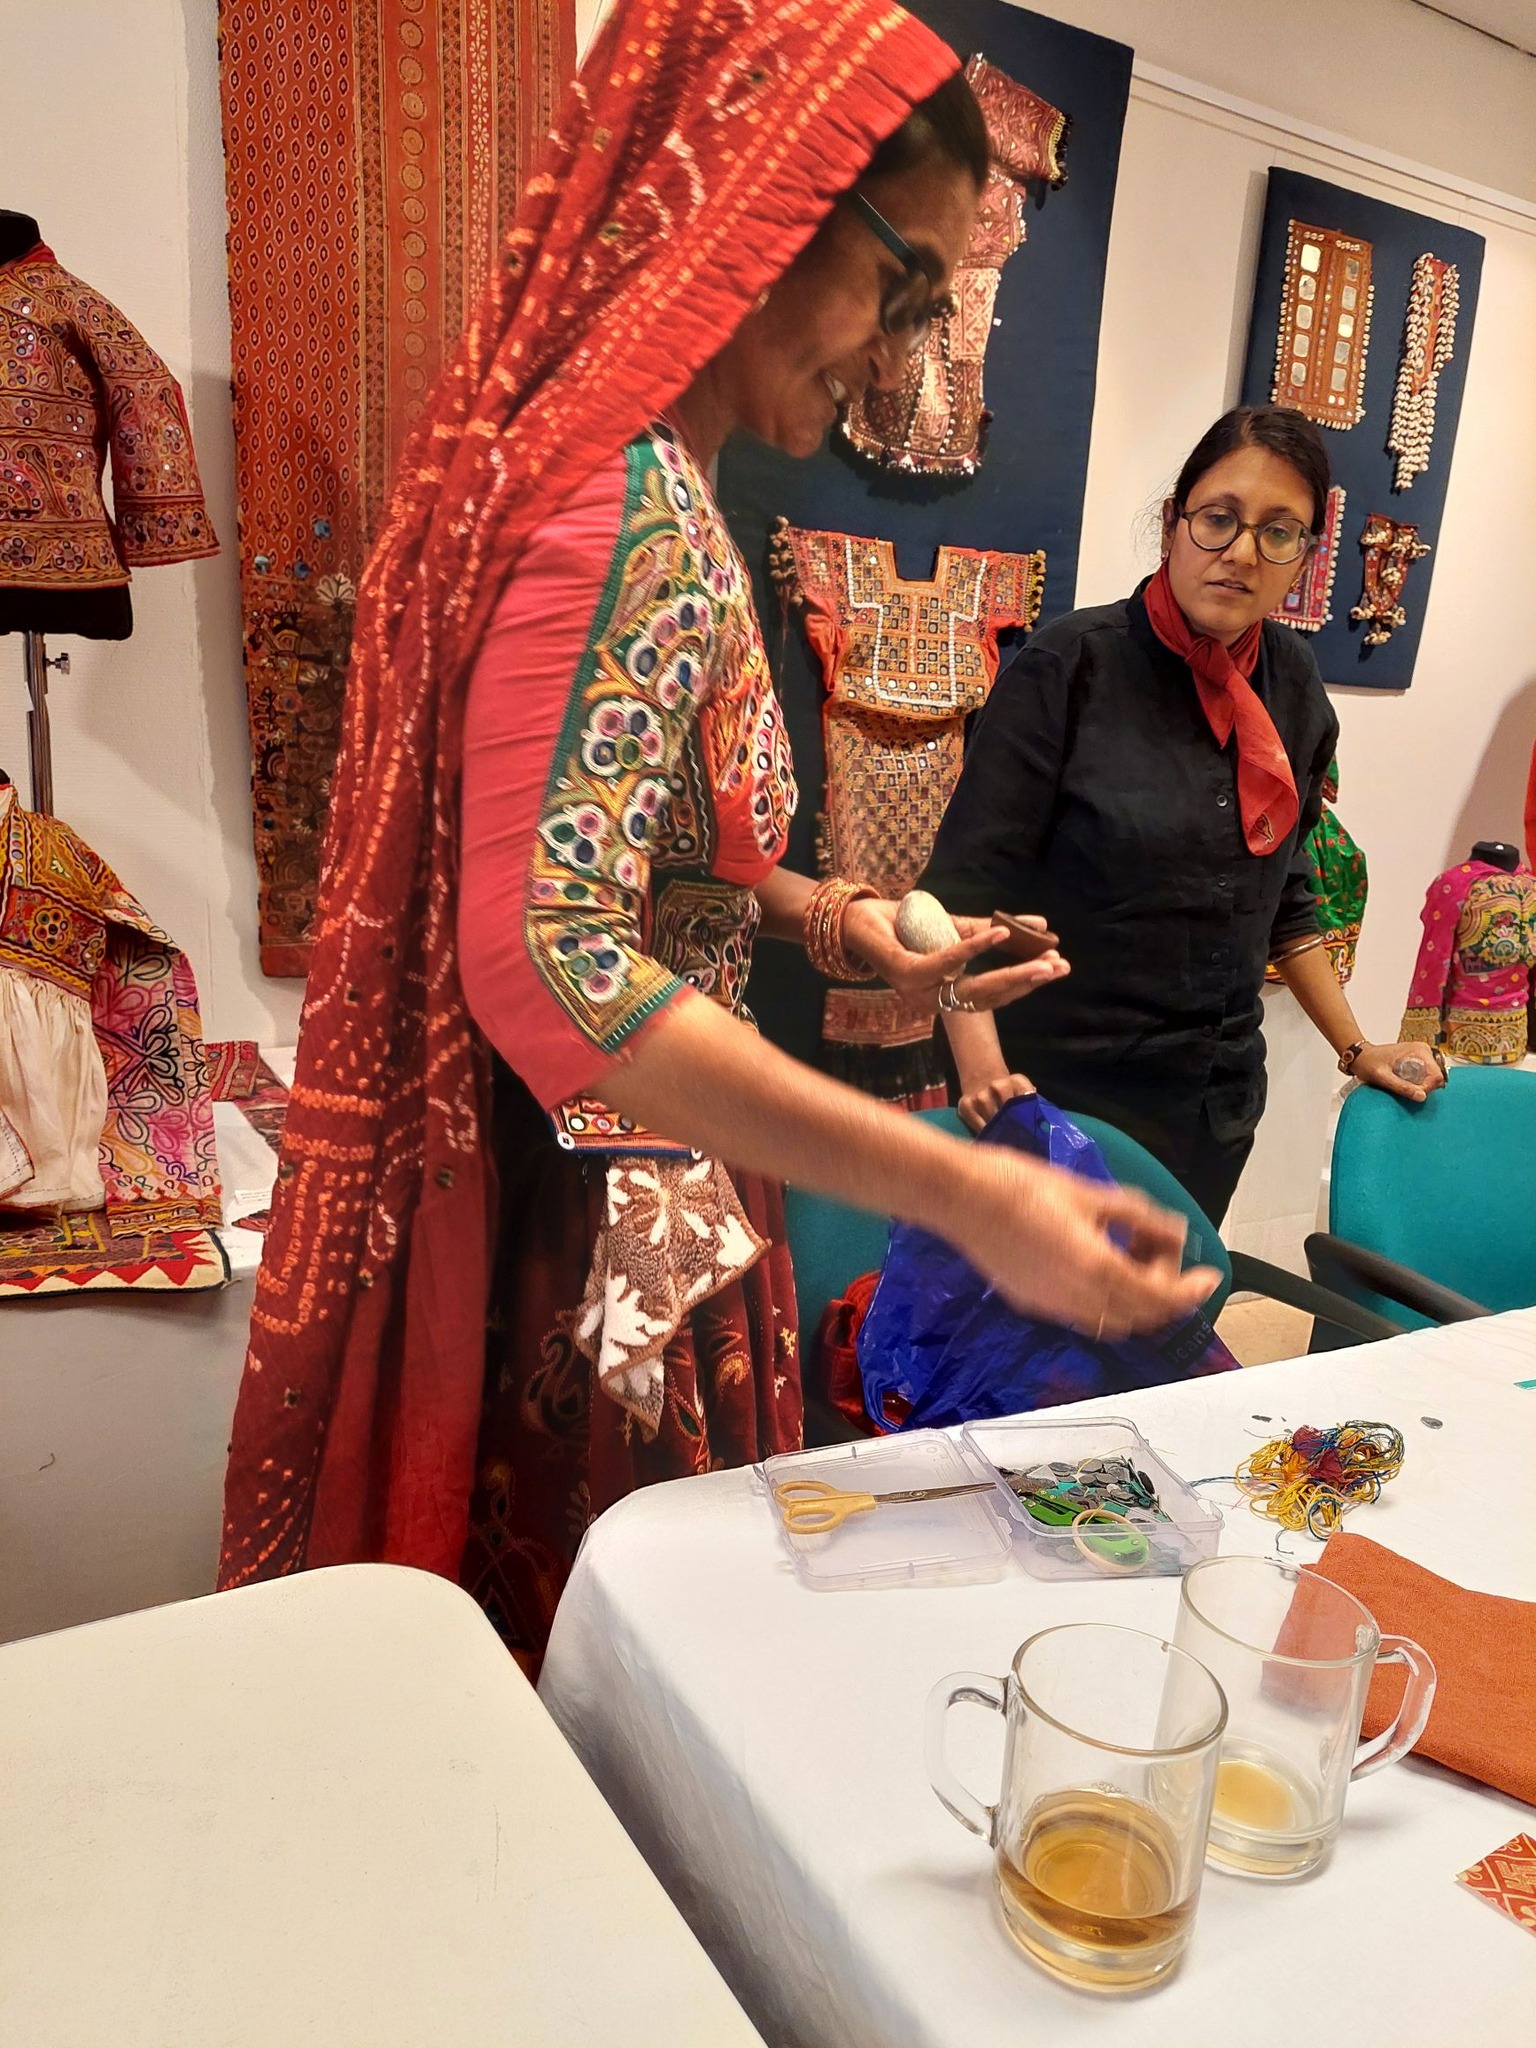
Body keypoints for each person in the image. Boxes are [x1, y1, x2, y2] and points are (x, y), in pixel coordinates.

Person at [217, 0, 1215, 1656]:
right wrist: (963, 1194)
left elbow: (678, 875)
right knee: (623, 1688)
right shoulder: (618, 502)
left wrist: (866, 928)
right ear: (765, 203)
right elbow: (549, 956)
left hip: (657, 1207)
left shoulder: (665, 488)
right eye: (899, 288)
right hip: (613, 1240)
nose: (901, 349)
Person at [923, 405, 1446, 1226]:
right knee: (1032, 1352)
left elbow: (1289, 897)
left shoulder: (1294, 686)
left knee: (1165, 1341)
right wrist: (988, 1086)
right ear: (1174, 523)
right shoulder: (1068, 670)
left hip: (1212, 1105)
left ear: (1304, 556)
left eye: (1280, 532)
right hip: (1056, 1102)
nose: (1241, 552)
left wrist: (1358, 1047)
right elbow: (958, 901)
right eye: (1219, 519)